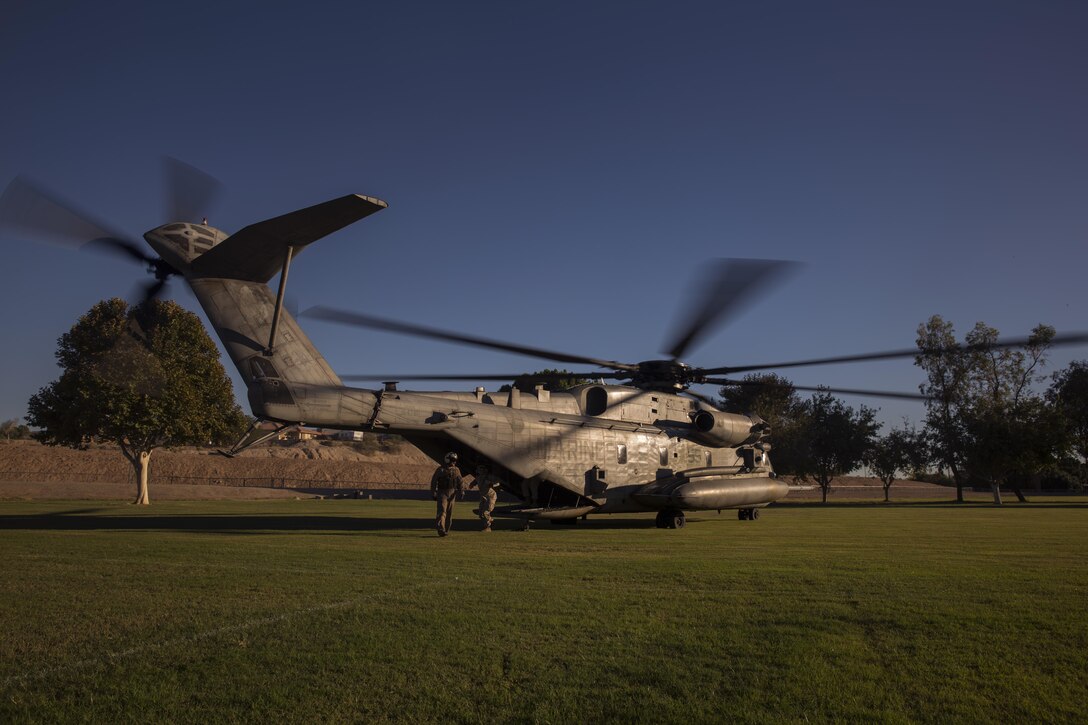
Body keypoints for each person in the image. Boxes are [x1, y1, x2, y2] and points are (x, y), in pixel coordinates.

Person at [431, 452, 464, 537]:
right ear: (448, 460)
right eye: (452, 460)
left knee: (449, 513)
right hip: (442, 493)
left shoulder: (456, 470)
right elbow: (434, 481)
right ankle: (441, 529)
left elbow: (460, 481)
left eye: (455, 460)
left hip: (452, 493)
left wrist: (462, 491)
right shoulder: (440, 470)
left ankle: (446, 529)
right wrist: (433, 492)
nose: (454, 462)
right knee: (442, 511)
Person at [472, 464, 502, 532]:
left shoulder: (489, 476)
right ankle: (491, 521)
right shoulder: (478, 477)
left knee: (485, 513)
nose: (480, 470)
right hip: (483, 496)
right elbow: (475, 481)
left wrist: (493, 484)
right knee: (480, 514)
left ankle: (488, 527)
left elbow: (498, 482)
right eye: (479, 469)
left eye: (482, 469)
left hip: (490, 496)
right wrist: (472, 484)